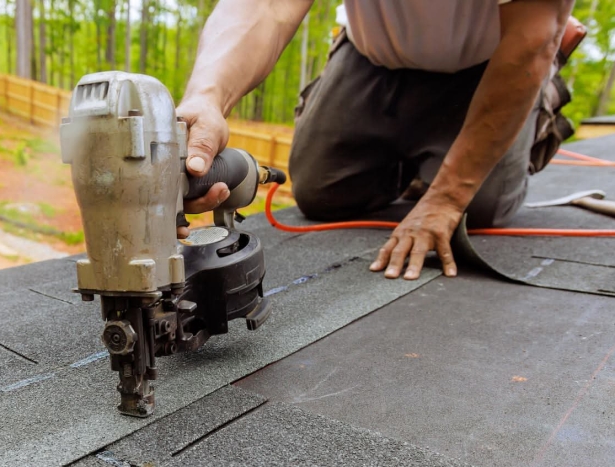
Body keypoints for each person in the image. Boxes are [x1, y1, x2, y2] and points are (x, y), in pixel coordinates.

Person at [177, 0, 574, 280]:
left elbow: (530, 41)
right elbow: (266, 7)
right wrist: (208, 98)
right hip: (375, 53)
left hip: (491, 61)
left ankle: (534, 105)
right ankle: (422, 160)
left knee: (477, 209)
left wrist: (447, 198)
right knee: (321, 193)